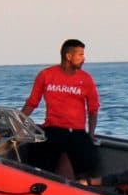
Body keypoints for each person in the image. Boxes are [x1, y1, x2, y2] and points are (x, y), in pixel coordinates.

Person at [23, 38, 101, 182]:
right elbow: (32, 102)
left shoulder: (86, 79)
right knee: (35, 152)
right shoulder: (46, 75)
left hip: (76, 131)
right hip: (53, 129)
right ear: (68, 56)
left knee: (89, 158)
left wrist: (91, 134)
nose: (84, 59)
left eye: (83, 55)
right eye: (80, 55)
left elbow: (93, 109)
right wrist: (18, 122)